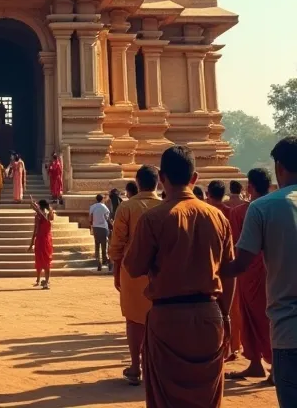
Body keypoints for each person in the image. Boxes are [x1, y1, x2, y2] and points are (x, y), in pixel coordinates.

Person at [125, 145, 235, 408]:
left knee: (166, 400)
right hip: (210, 316)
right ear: (194, 178)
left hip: (168, 319)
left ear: (162, 178)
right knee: (207, 398)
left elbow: (133, 267)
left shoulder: (154, 219)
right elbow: (229, 274)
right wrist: (226, 315)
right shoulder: (218, 217)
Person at [223, 137, 297, 408]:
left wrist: (207, 270)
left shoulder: (262, 208)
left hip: (289, 330)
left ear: (279, 167)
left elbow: (241, 263)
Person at [109, 165, 161, 386]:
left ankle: (135, 366)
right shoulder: (167, 206)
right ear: (158, 182)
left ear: (137, 182)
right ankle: (156, 367)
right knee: (161, 319)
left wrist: (116, 270)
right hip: (161, 272)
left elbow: (117, 243)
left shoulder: (127, 207)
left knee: (133, 320)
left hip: (132, 271)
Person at [226, 167, 272, 381]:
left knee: (253, 317)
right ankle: (262, 364)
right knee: (268, 318)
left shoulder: (240, 213)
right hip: (272, 270)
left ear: (249, 187)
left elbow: (236, 245)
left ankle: (262, 363)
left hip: (247, 271)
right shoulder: (277, 206)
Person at [206, 180, 241, 359]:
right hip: (230, 264)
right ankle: (232, 345)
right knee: (231, 308)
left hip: (211, 266)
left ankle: (220, 346)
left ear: (208, 194)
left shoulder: (206, 214)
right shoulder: (230, 212)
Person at [29, 196, 54, 289]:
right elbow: (35, 229)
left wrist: (37, 209)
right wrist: (32, 243)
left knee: (46, 260)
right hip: (40, 239)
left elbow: (47, 218)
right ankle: (38, 279)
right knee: (39, 259)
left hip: (45, 240)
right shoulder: (38, 216)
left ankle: (46, 281)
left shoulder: (48, 214)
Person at [89, 194, 112, 271]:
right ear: (102, 199)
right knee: (104, 246)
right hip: (103, 228)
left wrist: (92, 226)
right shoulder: (104, 207)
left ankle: (98, 262)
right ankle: (107, 262)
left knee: (97, 245)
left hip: (95, 227)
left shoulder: (92, 207)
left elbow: (90, 218)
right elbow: (107, 218)